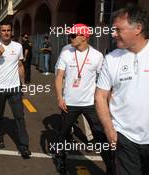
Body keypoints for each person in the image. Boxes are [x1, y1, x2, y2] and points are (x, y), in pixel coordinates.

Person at [95, 5, 149, 175]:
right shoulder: (111, 59)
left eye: (118, 30)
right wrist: (109, 130)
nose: (113, 34)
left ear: (138, 29)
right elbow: (100, 97)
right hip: (124, 137)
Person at [55, 24, 112, 174]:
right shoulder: (66, 52)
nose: (70, 38)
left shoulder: (97, 56)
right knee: (63, 133)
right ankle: (60, 158)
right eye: (70, 35)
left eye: (73, 35)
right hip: (69, 104)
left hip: (89, 104)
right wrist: (60, 98)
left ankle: (110, 166)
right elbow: (59, 76)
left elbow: (104, 80)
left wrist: (107, 102)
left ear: (84, 37)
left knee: (100, 136)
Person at [0, 22, 31, 159]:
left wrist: (22, 83)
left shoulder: (18, 46)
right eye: (3, 30)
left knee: (19, 116)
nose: (6, 32)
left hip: (15, 88)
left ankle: (24, 146)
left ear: (11, 32)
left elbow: (20, 65)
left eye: (8, 30)